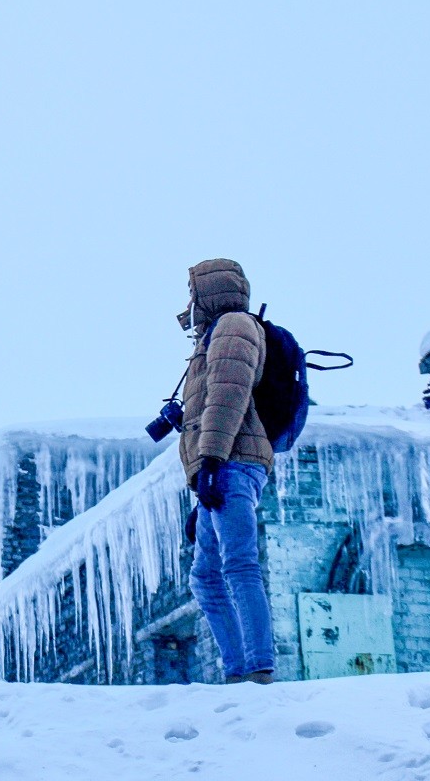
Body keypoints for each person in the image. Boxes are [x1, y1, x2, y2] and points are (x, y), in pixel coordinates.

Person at [177, 258, 275, 684]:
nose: (189, 302)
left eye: (193, 293)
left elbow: (226, 395)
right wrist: (202, 486)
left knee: (238, 564)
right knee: (205, 577)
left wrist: (212, 462)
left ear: (207, 292)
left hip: (232, 462)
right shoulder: (212, 337)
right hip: (220, 466)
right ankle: (238, 671)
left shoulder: (234, 326)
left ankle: (258, 670)